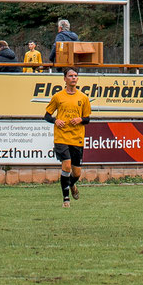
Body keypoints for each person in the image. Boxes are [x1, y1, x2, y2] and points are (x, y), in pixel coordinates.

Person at [43, 66, 91, 208]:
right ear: (65, 79)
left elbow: (87, 119)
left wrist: (80, 119)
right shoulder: (58, 97)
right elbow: (46, 116)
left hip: (77, 137)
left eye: (75, 75)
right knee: (67, 165)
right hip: (61, 137)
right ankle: (66, 200)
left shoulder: (83, 98)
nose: (73, 78)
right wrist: (55, 120)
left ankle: (72, 184)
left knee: (76, 172)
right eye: (70, 76)